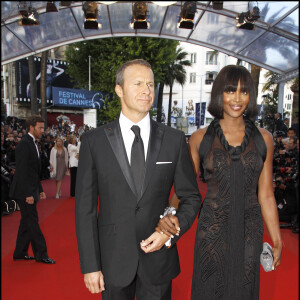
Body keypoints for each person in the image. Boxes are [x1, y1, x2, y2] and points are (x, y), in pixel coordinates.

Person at [75, 59, 201, 300]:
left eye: (151, 84)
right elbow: (85, 209)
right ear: (119, 89)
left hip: (158, 260)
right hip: (113, 260)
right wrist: (90, 265)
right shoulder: (94, 141)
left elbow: (191, 196)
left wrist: (171, 230)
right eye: (138, 84)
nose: (146, 90)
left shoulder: (173, 140)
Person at [157, 65, 283, 299]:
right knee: (209, 290)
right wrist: (168, 217)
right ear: (219, 94)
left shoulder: (264, 138)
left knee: (243, 290)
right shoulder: (200, 138)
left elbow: (265, 194)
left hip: (249, 231)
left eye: (244, 92)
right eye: (230, 91)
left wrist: (276, 239)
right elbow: (186, 188)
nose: (237, 98)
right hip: (212, 230)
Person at [9, 115, 55, 264]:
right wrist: (28, 193)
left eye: (43, 127)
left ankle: (20, 252)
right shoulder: (24, 144)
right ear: (31, 127)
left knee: (26, 222)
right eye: (40, 128)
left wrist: (39, 188)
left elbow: (33, 170)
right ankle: (41, 254)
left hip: (29, 188)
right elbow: (22, 171)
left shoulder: (33, 143)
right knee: (32, 222)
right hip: (24, 191)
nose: (43, 130)